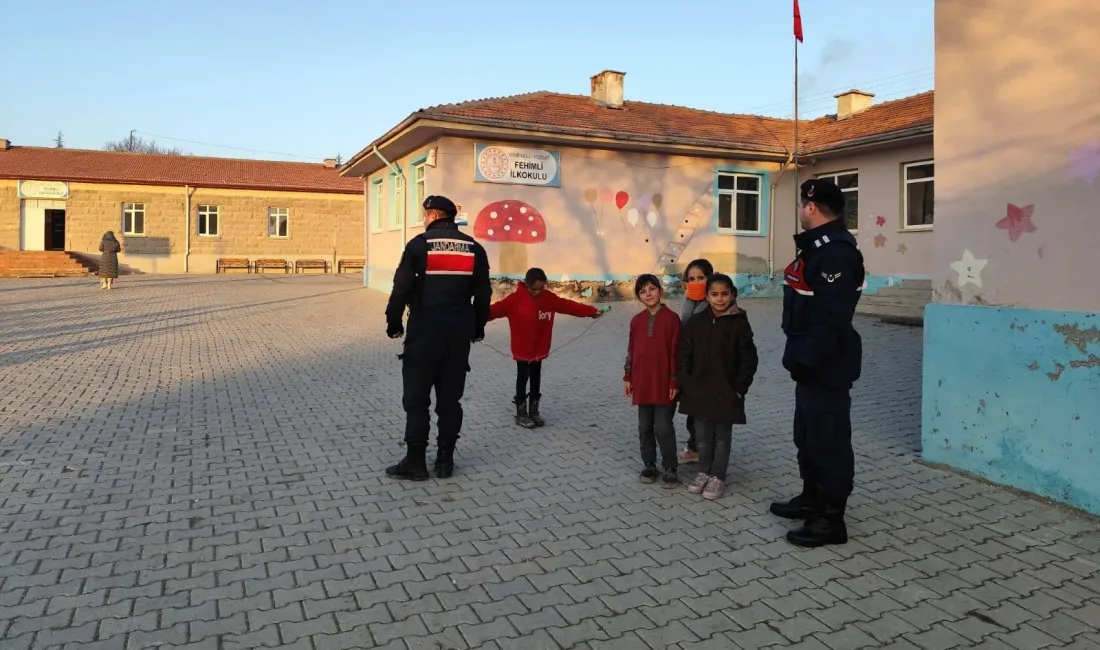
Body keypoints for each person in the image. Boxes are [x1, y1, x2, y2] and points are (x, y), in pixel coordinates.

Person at [771, 178, 866, 547]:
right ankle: (812, 497)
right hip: (808, 362)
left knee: (829, 440)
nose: (800, 211)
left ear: (811, 207)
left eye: (801, 205)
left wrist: (808, 359)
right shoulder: (817, 248)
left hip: (826, 364)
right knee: (807, 436)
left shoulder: (837, 253)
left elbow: (830, 317)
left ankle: (831, 519)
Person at [384, 195, 492, 481]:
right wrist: (478, 327)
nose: (424, 220)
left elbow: (401, 289)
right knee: (449, 401)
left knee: (417, 400)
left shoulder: (419, 245)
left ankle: (415, 462)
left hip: (424, 333)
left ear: (433, 215)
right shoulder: (475, 249)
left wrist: (393, 323)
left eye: (425, 215)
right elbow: (483, 295)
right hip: (457, 334)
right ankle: (445, 462)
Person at [489, 267, 604, 428]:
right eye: (533, 289)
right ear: (527, 284)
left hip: (539, 348)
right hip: (522, 349)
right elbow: (492, 311)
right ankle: (521, 413)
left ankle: (534, 411)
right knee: (522, 379)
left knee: (536, 378)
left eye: (540, 288)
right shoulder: (515, 300)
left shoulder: (548, 298)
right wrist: (469, 320)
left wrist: (591, 312)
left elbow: (568, 306)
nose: (537, 292)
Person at [677, 274, 758, 501]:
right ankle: (703, 471)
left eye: (724, 294)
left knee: (722, 437)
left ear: (732, 294)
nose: (720, 299)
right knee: (702, 437)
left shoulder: (739, 322)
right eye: (714, 294)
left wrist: (739, 388)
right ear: (706, 296)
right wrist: (688, 384)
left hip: (726, 393)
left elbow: (749, 359)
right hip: (699, 392)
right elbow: (683, 356)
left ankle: (718, 476)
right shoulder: (696, 323)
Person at [623, 274, 681, 488]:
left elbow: (677, 353)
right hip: (642, 382)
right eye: (642, 291)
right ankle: (649, 464)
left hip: (665, 383)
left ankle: (670, 466)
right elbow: (631, 351)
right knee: (644, 426)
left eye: (651, 289)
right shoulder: (636, 321)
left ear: (660, 291)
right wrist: (627, 377)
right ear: (639, 296)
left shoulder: (672, 319)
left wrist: (675, 381)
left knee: (663, 426)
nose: (648, 294)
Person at [677, 258, 714, 464]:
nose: (697, 282)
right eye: (692, 279)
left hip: (709, 366)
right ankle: (695, 445)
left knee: (706, 412)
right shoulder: (690, 301)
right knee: (692, 410)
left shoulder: (717, 300)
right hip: (691, 365)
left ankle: (707, 451)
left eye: (701, 278)